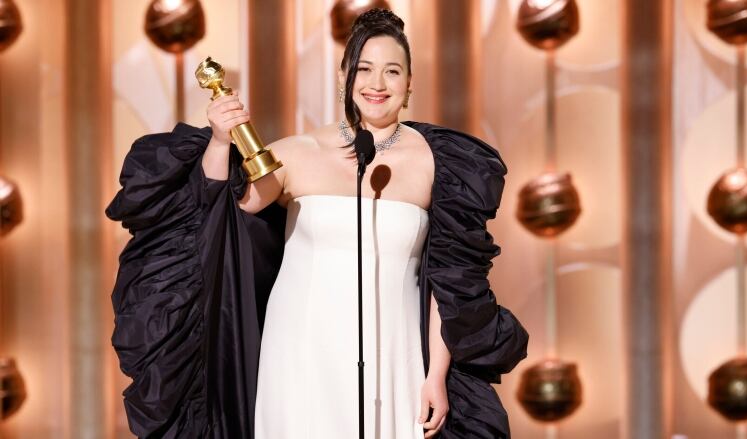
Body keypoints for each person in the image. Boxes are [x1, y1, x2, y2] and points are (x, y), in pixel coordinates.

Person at [107, 8, 527, 439]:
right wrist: (219, 139)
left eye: (392, 71)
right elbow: (224, 209)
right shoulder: (298, 151)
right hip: (301, 354)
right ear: (343, 76)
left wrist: (436, 374)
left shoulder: (440, 163)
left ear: (409, 82)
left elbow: (452, 284)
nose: (377, 84)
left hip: (396, 356)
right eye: (364, 69)